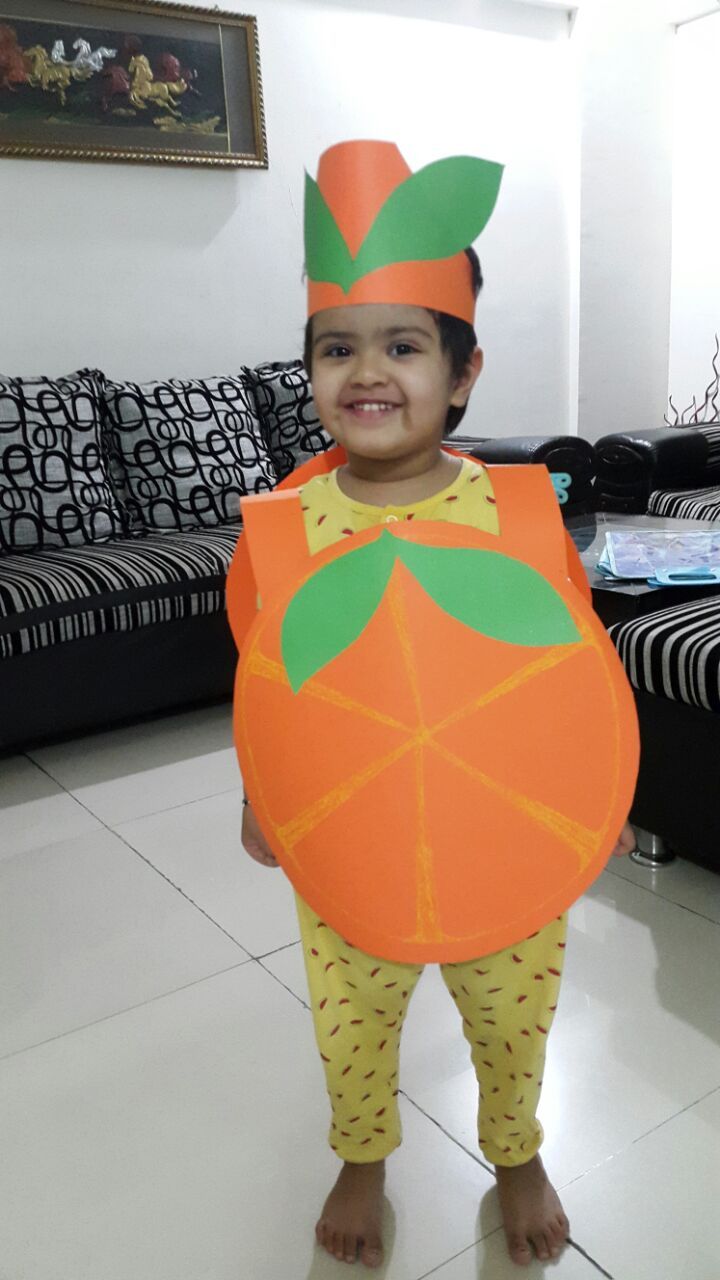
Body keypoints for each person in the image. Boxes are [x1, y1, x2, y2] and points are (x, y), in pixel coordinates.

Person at [238, 142, 637, 1270]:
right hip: (353, 837)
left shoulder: (517, 511)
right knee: (351, 1015)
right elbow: (273, 684)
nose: (368, 370)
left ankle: (515, 1149)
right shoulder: (280, 528)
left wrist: (591, 799)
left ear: (461, 373)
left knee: (512, 1016)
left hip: (499, 834)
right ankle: (361, 1151)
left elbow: (568, 677)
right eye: (337, 347)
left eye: (403, 344)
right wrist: (260, 791)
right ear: (310, 370)